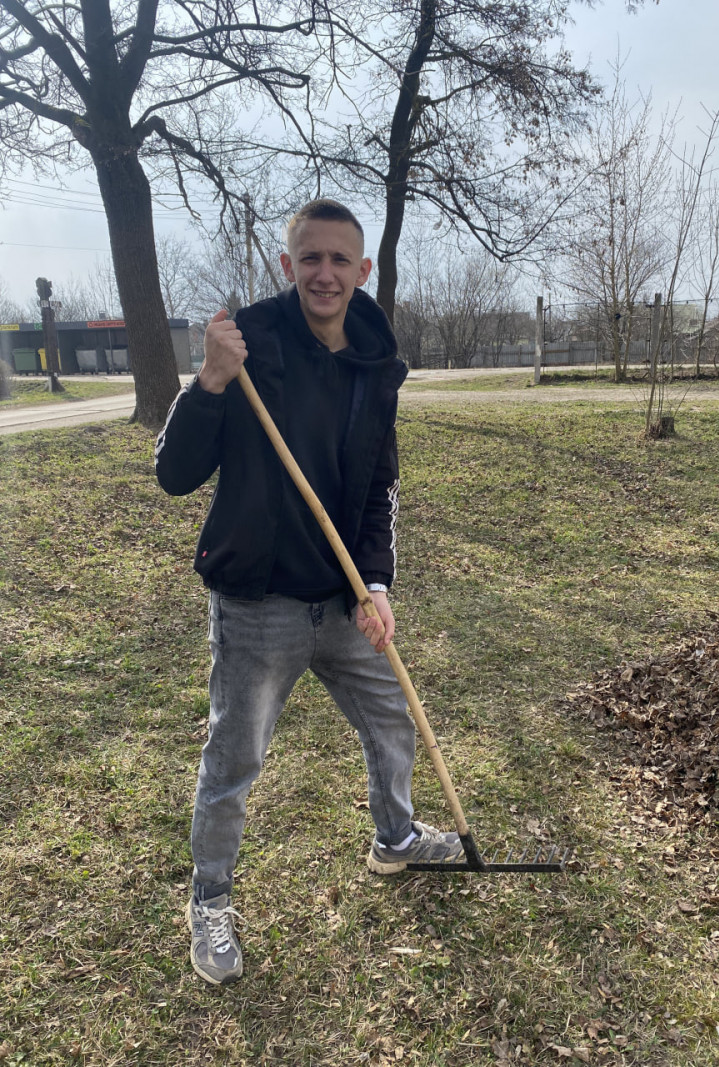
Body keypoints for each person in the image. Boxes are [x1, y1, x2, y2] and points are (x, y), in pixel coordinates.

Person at [155, 198, 463, 986]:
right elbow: (173, 474)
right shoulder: (246, 347)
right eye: (310, 258)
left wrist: (379, 582)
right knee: (235, 757)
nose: (325, 273)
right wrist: (211, 383)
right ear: (288, 266)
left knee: (391, 715)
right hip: (258, 608)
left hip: (343, 598)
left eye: (340, 261)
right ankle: (211, 898)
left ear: (363, 273)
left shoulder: (374, 364)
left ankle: (394, 838)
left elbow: (377, 491)